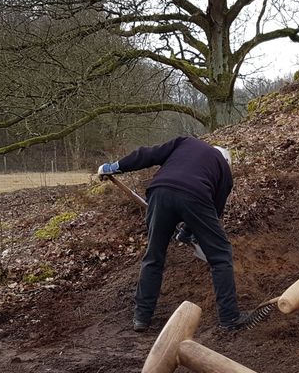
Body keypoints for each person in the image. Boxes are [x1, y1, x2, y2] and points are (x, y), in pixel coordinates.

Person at [99, 136, 249, 332]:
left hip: (159, 193)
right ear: (227, 161)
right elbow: (214, 210)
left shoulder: (186, 143)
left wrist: (115, 166)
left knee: (154, 256)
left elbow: (148, 154)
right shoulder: (224, 170)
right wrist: (192, 232)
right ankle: (229, 318)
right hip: (196, 196)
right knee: (220, 257)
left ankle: (141, 318)